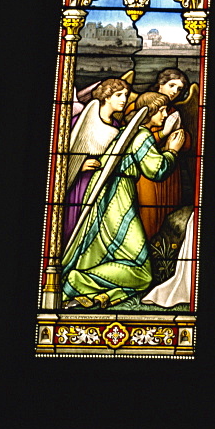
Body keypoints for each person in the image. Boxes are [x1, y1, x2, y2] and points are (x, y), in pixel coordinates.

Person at [62, 92, 185, 309]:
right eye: (162, 110)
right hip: (117, 198)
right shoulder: (141, 136)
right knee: (142, 271)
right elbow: (156, 169)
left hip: (107, 192)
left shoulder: (127, 133)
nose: (166, 114)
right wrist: (172, 152)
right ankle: (77, 281)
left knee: (100, 250)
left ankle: (103, 296)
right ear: (150, 111)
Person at [126, 68, 195, 239]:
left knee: (167, 213)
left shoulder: (171, 112)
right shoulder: (138, 107)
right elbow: (131, 141)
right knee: (148, 214)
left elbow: (186, 145)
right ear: (160, 85)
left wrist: (180, 136)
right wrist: (164, 134)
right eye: (171, 85)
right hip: (146, 174)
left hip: (170, 173)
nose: (175, 92)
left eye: (179, 89)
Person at [63, 77, 130, 241]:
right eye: (119, 95)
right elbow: (62, 154)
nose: (124, 99)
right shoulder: (79, 121)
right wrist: (79, 164)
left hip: (100, 183)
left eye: (126, 95)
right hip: (79, 183)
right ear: (107, 97)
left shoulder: (115, 125)